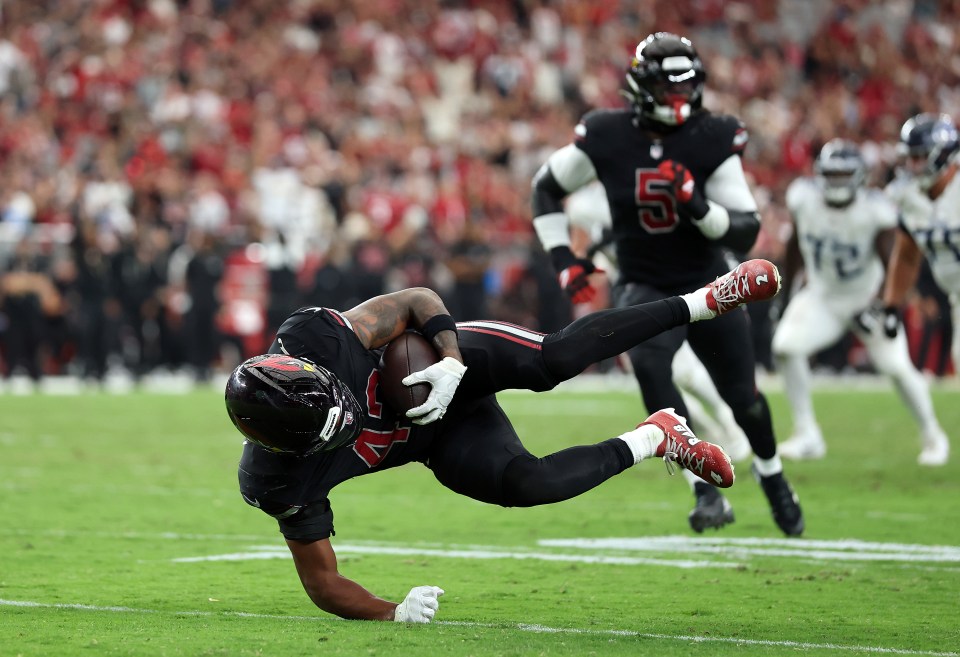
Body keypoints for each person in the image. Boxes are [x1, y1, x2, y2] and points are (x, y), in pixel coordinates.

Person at [225, 258, 780, 622]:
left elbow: (417, 298)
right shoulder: (275, 480)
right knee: (528, 483)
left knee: (553, 359)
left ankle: (708, 298)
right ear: (289, 448)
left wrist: (448, 359)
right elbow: (322, 581)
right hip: (434, 440)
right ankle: (658, 437)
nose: (352, 420)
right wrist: (391, 611)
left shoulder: (315, 338)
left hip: (438, 365)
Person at [529, 31, 802, 535]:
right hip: (645, 283)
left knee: (743, 398)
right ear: (640, 86)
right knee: (651, 366)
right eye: (667, 88)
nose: (678, 98)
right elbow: (545, 187)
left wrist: (697, 206)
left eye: (685, 87)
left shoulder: (712, 134)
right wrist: (563, 258)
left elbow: (746, 228)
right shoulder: (607, 132)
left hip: (711, 284)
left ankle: (772, 474)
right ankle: (703, 489)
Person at [773, 139, 949, 465]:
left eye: (843, 175)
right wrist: (785, 295)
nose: (837, 182)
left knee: (897, 368)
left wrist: (881, 304)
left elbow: (892, 262)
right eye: (831, 175)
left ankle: (933, 435)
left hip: (865, 298)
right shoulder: (804, 199)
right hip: (823, 296)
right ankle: (807, 433)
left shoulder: (874, 211)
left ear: (858, 177)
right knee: (786, 347)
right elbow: (795, 246)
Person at [880, 112, 960, 465]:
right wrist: (891, 305)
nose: (913, 165)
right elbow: (907, 255)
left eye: (920, 156)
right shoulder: (910, 196)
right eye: (910, 156)